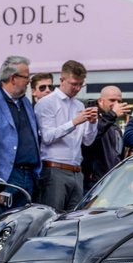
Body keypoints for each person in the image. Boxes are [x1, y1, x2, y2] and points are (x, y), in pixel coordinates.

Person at [0, 56, 42, 224]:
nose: (29, 81)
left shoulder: (25, 102)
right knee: (1, 230)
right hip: (6, 178)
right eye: (26, 77)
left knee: (23, 229)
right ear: (13, 78)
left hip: (29, 176)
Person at [35, 60, 99, 212]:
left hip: (76, 170)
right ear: (62, 80)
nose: (77, 88)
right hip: (54, 168)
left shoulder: (79, 105)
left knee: (74, 220)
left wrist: (92, 122)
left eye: (80, 84)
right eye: (74, 84)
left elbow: (88, 141)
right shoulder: (46, 103)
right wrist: (74, 122)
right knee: (51, 218)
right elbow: (47, 137)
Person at [83, 85, 129, 188]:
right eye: (112, 100)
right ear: (100, 101)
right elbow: (92, 136)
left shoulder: (114, 125)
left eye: (119, 101)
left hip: (113, 179)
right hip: (95, 182)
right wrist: (112, 115)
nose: (116, 104)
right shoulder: (93, 117)